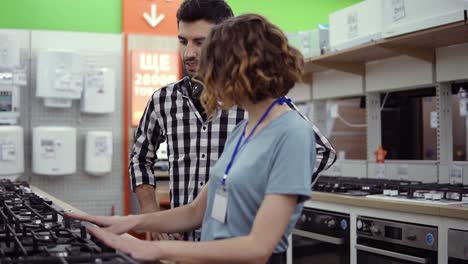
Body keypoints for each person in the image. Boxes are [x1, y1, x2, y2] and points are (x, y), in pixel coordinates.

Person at [68, 13, 318, 263]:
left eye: (214, 71)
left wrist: (157, 250)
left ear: (242, 71)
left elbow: (259, 247)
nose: (208, 82)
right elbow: (196, 211)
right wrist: (130, 222)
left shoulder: (293, 133)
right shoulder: (244, 130)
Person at [130, 0, 336, 242]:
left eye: (200, 42)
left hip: (236, 243)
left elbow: (321, 151)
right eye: (183, 41)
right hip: (187, 242)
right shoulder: (166, 101)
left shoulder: (267, 110)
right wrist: (147, 215)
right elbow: (144, 160)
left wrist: (268, 198)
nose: (188, 53)